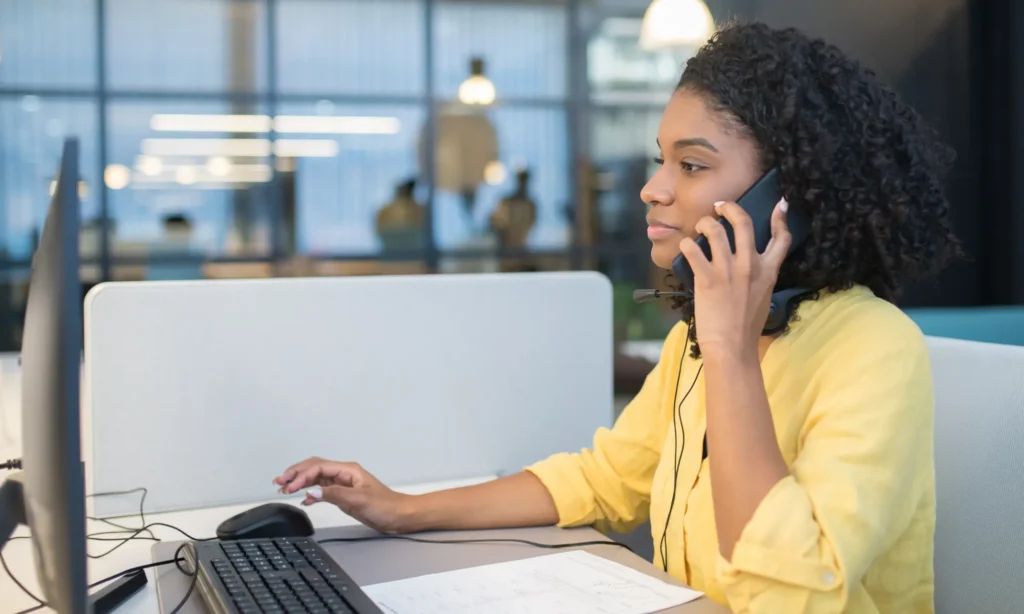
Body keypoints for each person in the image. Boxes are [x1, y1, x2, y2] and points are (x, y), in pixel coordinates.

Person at [274, 21, 958, 613]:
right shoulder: (695, 344)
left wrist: (730, 353)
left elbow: (791, 593)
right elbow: (604, 479)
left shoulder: (872, 348)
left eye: (692, 165)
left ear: (786, 199)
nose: (653, 188)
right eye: (662, 160)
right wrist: (402, 510)